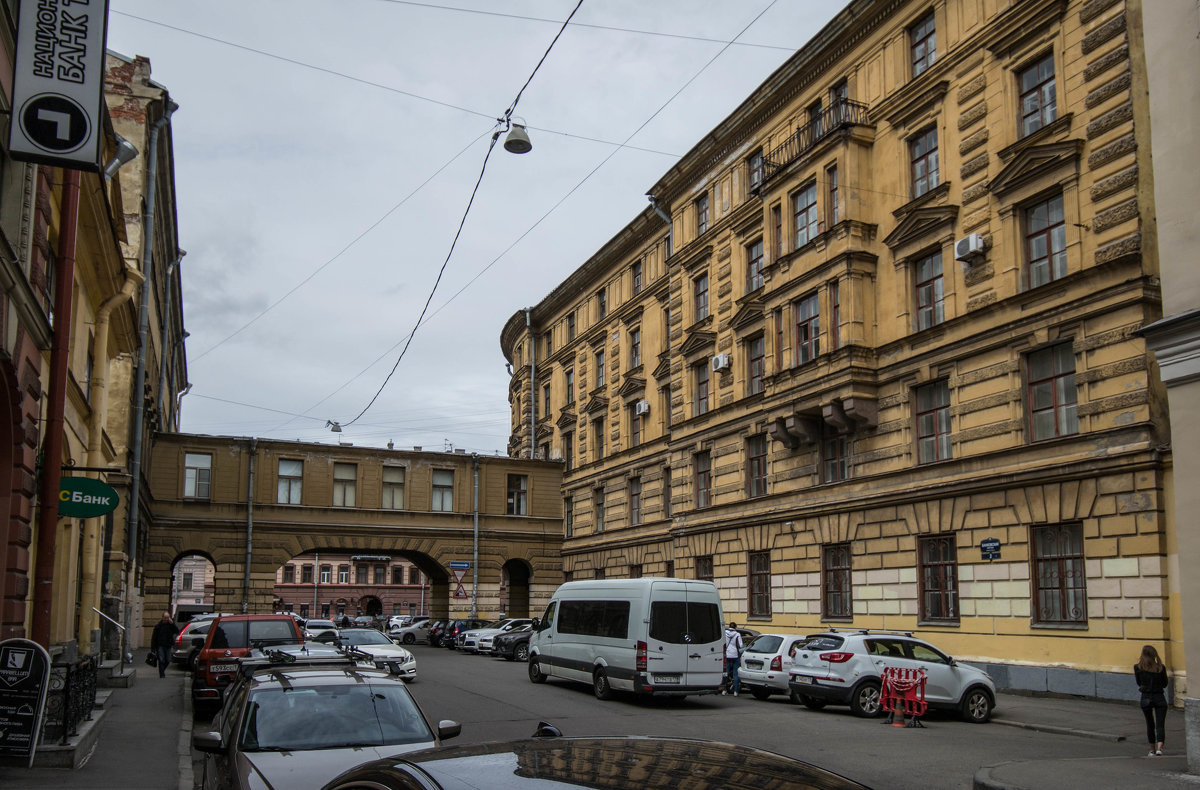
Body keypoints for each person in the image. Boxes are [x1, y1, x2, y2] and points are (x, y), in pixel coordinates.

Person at [1134, 644, 1168, 756]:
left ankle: (1152, 750)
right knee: (1160, 724)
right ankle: (1160, 748)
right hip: (1159, 697)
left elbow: (1139, 682)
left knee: (1150, 724)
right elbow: (1165, 684)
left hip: (1145, 697)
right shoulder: (1160, 668)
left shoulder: (1138, 668)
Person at [149, 611, 179, 679]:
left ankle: (162, 671)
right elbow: (154, 637)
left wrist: (172, 624)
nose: (166, 619)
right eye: (165, 618)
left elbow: (177, 631)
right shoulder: (158, 626)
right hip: (160, 645)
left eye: (167, 618)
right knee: (161, 660)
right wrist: (153, 648)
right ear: (162, 618)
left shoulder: (170, 625)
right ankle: (162, 674)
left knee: (168, 660)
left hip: (168, 645)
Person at [723, 621, 743, 696]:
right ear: (735, 627)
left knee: (726, 673)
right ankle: (735, 691)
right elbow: (740, 645)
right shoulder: (737, 634)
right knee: (735, 674)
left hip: (727, 655)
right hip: (735, 656)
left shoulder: (725, 633)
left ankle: (724, 690)